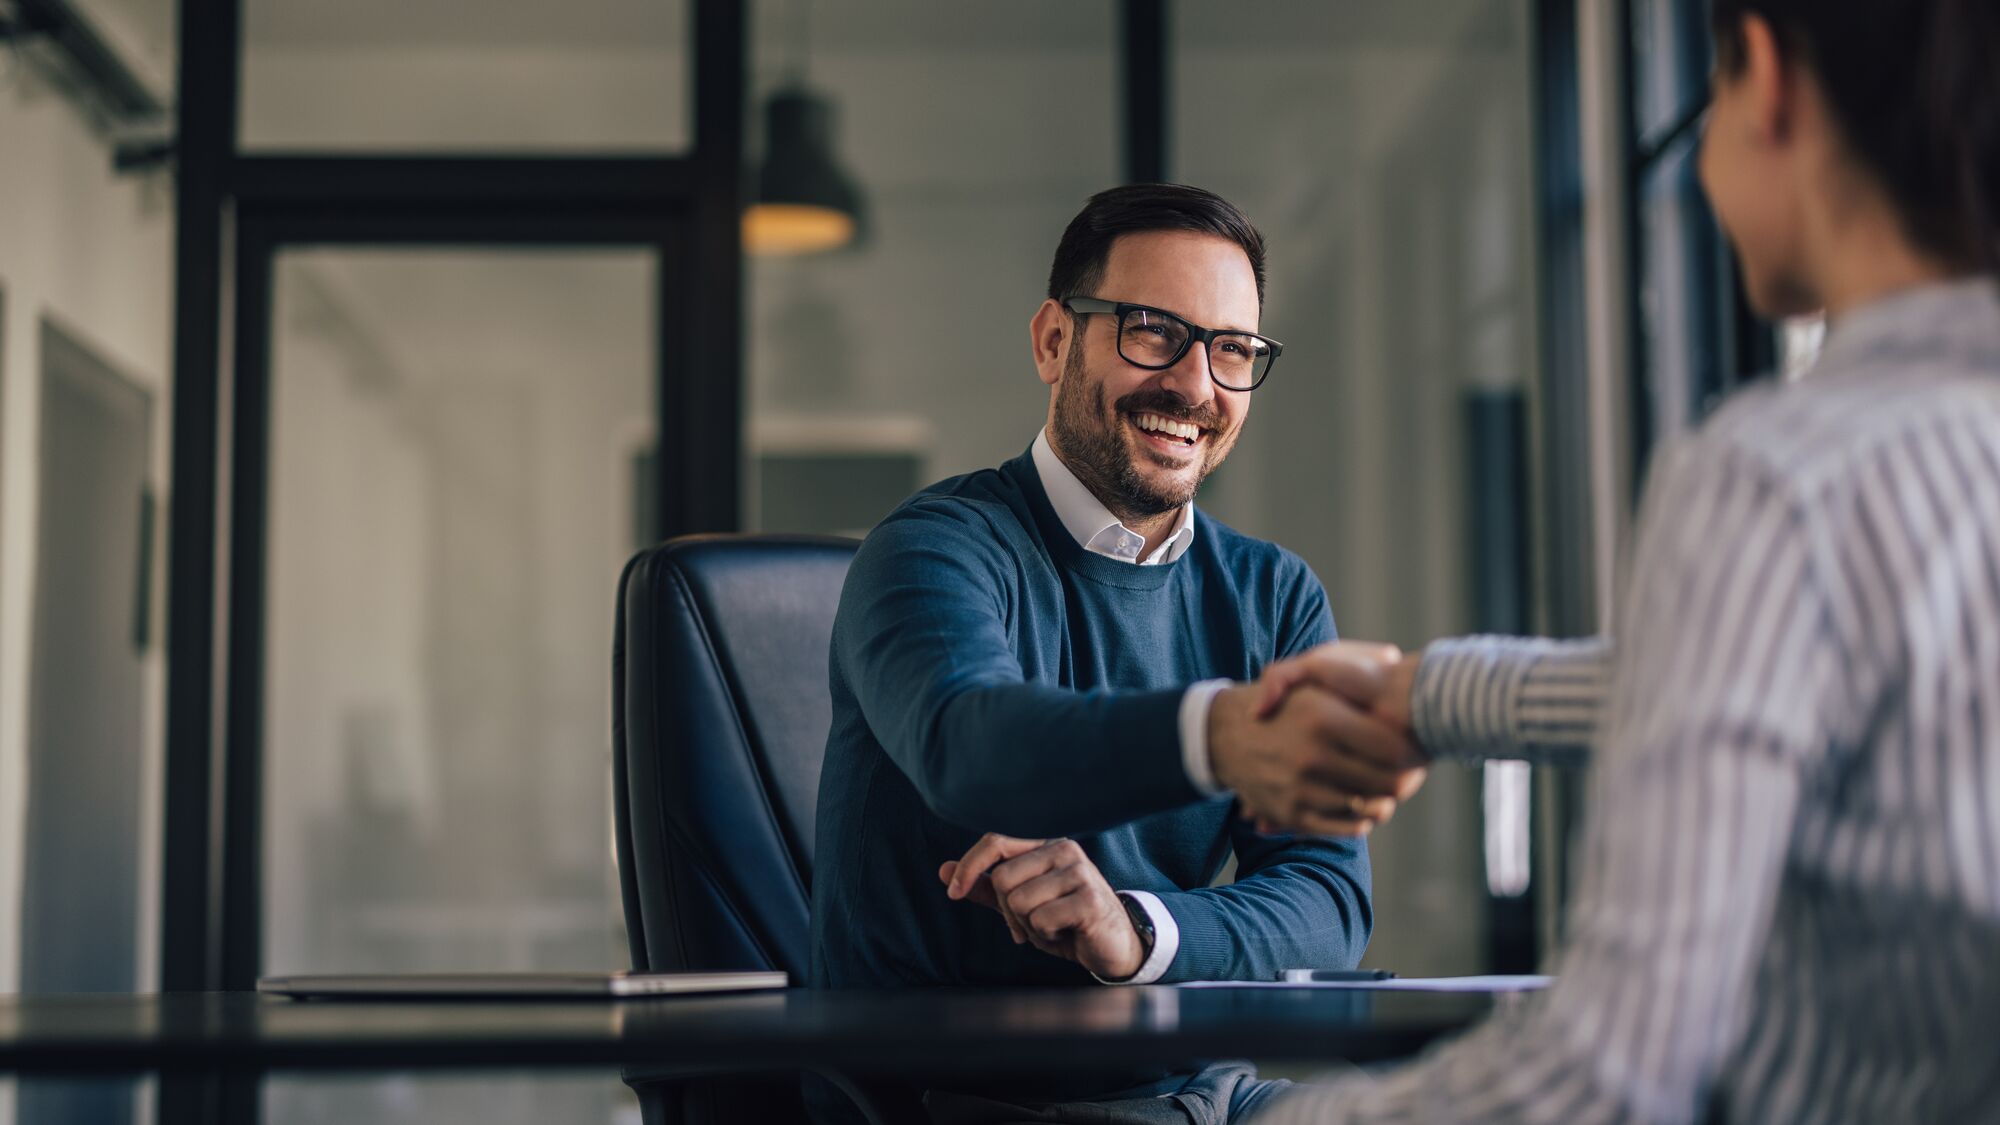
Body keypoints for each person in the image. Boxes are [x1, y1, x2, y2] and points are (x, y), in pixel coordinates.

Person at [1243, 0, 2000, 1121]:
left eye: (1709, 93)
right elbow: (1812, 685)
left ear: (1765, 74)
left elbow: (1599, 1079)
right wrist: (1425, 695)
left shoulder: (1778, 480)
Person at [809, 184, 1417, 1124]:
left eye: (1232, 350)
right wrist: (1218, 735)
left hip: (1208, 1095)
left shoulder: (1275, 594)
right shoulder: (932, 550)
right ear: (1055, 340)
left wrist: (1137, 928)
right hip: (967, 1103)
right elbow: (970, 747)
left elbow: (1328, 895)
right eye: (1152, 331)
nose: (1196, 385)